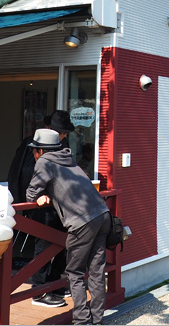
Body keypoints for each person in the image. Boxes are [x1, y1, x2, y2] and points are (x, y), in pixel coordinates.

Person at [26, 129, 111, 326]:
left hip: (83, 221)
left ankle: (81, 321)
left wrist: (40, 195)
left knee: (75, 272)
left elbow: (31, 193)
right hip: (103, 213)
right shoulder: (68, 158)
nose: (33, 154)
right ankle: (97, 321)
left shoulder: (44, 162)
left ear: (40, 150)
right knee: (97, 272)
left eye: (34, 150)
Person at [10, 110, 72, 307]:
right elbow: (24, 174)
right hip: (40, 203)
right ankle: (39, 290)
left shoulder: (59, 146)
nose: (63, 137)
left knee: (63, 243)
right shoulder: (35, 146)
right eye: (61, 133)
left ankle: (53, 284)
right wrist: (35, 197)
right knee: (43, 245)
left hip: (58, 204)